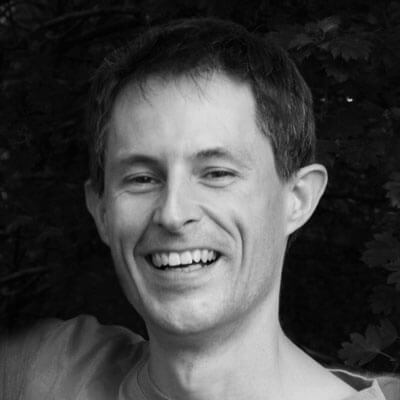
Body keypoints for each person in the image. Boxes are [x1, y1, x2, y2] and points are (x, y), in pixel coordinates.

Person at [1, 17, 399, 400]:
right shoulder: (37, 370)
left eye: (217, 173)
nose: (173, 214)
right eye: (142, 178)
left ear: (297, 199)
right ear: (101, 210)